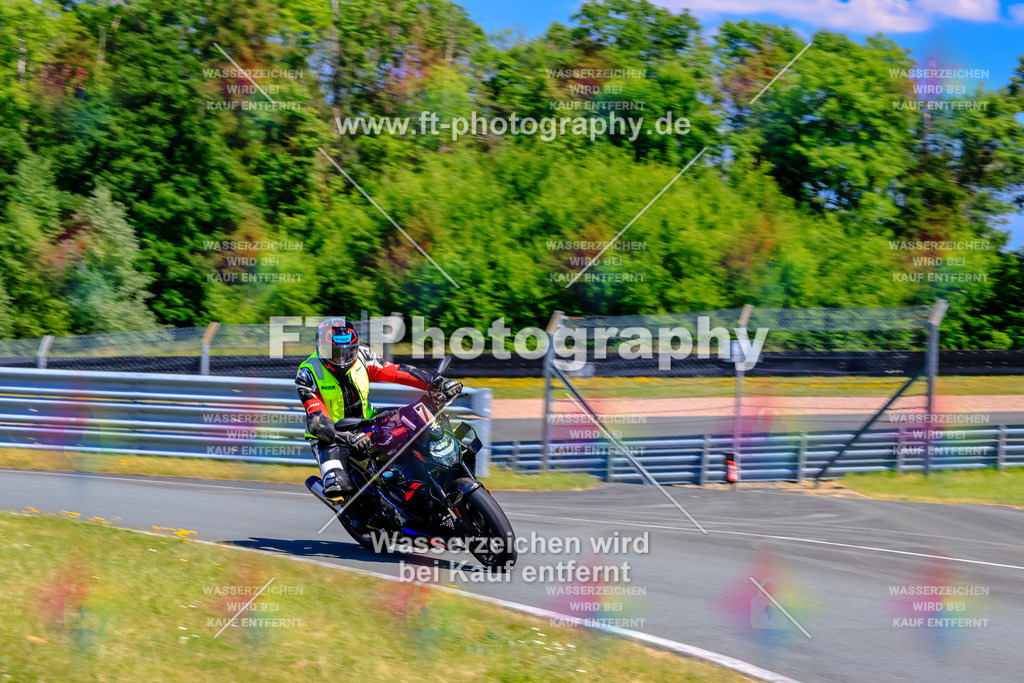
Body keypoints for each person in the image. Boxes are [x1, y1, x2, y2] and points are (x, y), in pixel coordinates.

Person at [295, 317, 462, 498]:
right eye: (334, 352)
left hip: (368, 421)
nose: (341, 358)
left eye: (347, 351)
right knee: (338, 488)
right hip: (331, 438)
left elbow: (398, 372)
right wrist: (347, 438)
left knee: (414, 433)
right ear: (320, 347)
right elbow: (316, 421)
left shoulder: (363, 356)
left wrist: (437, 383)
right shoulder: (308, 373)